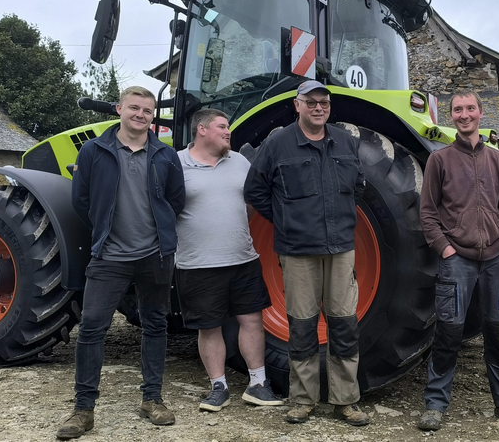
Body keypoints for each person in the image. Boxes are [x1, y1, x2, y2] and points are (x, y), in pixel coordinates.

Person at [58, 86, 185, 440]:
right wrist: (106, 230)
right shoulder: (94, 151)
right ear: (119, 110)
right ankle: (84, 410)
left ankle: (152, 399)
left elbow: (176, 199)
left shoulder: (165, 154)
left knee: (155, 325)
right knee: (92, 328)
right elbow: (82, 200)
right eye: (134, 108)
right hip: (109, 255)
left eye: (147, 110)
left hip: (155, 255)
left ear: (152, 115)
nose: (141, 115)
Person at [243, 80, 369, 426]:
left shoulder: (345, 141)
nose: (318, 107)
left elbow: (357, 186)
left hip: (341, 248)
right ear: (297, 105)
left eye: (323, 102)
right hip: (298, 251)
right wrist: (285, 220)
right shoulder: (278, 144)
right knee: (301, 326)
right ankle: (302, 399)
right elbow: (255, 189)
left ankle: (346, 400)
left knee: (344, 325)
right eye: (310, 102)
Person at [417, 89, 499, 431]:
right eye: (458, 109)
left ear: (481, 114)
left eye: (470, 108)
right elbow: (427, 214)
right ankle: (436, 404)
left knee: (496, 331)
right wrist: (445, 248)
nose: (465, 114)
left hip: (494, 261)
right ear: (450, 116)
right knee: (449, 331)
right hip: (457, 259)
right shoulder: (439, 161)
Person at [174, 109, 283, 413]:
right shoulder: (177, 163)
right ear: (202, 130)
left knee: (252, 320)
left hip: (242, 259)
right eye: (222, 127)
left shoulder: (240, 161)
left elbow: (250, 204)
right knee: (209, 327)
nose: (228, 132)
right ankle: (218, 387)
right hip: (197, 264)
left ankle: (258, 384)